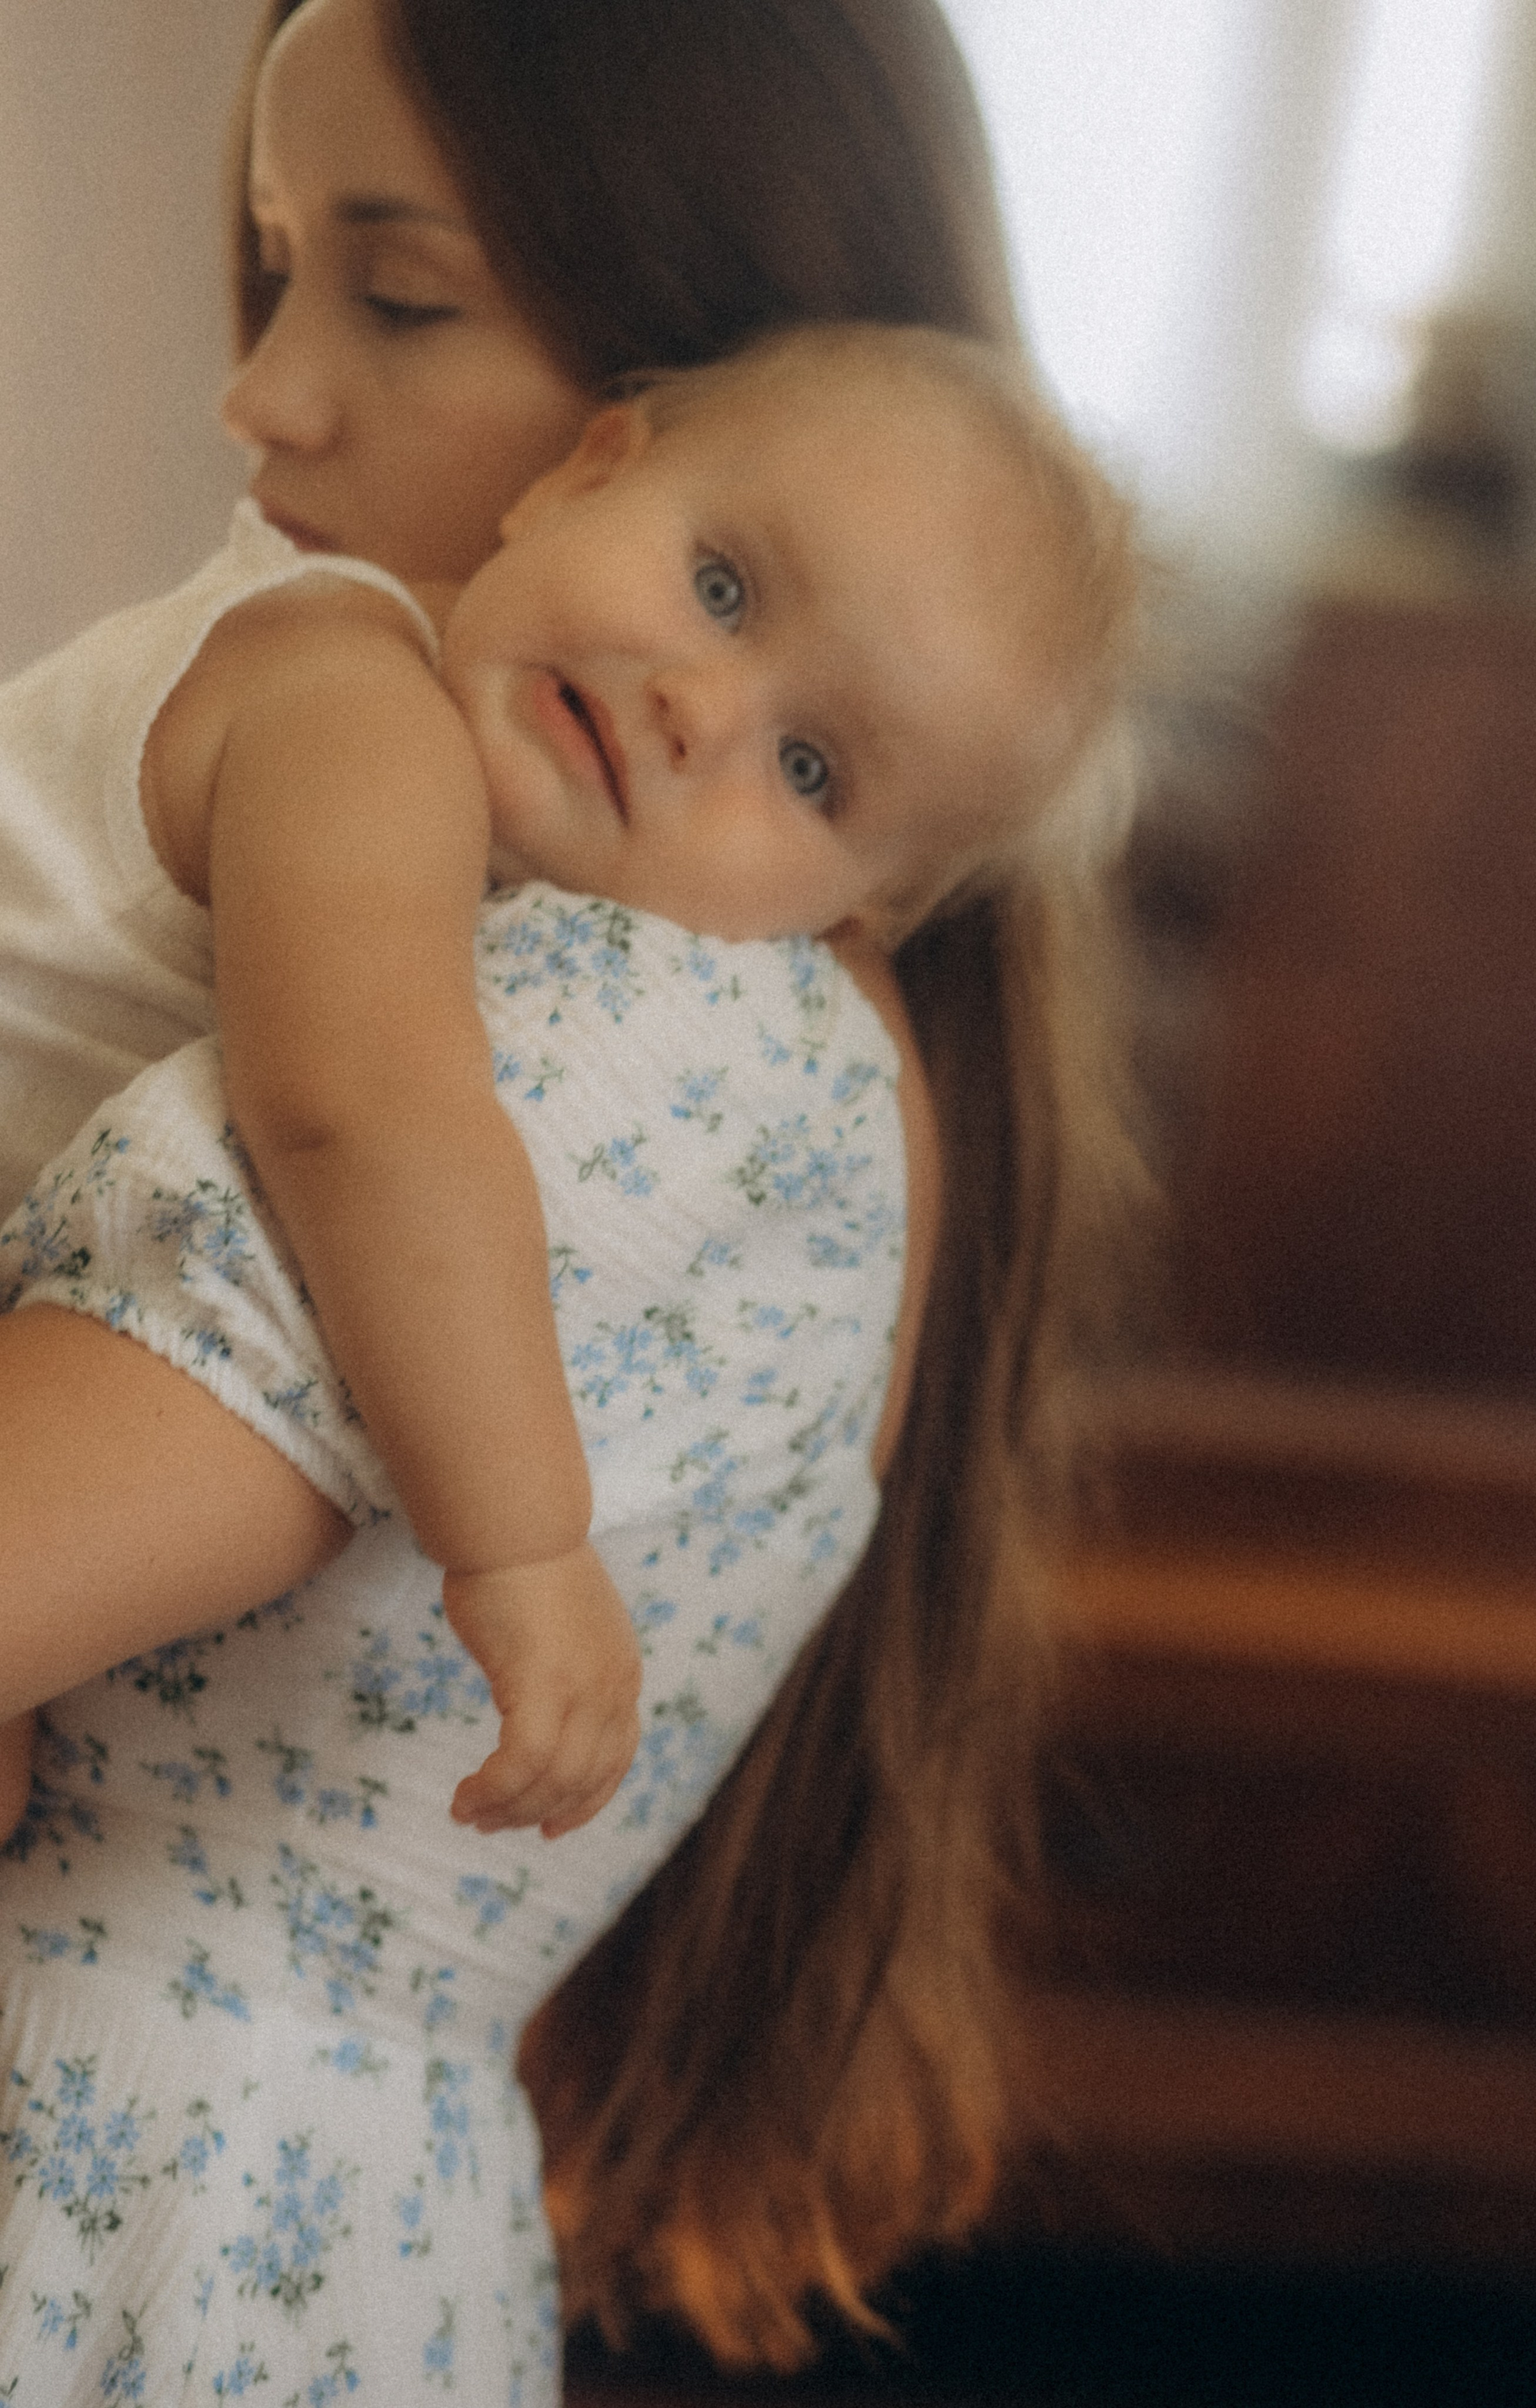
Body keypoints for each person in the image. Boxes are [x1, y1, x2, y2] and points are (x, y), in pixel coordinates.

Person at [0, 0, 1152, 2388]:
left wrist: (522, 1542)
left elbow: (369, 1126)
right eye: (280, 265)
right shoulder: (610, 953)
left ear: (663, 364)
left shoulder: (647, 1027)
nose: (266, 404)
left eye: (404, 297)